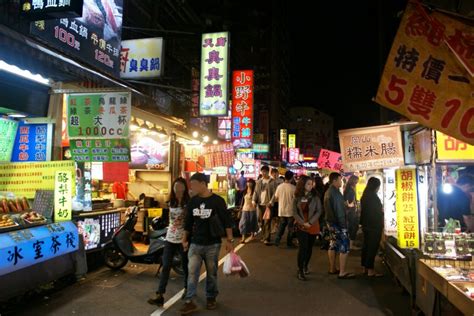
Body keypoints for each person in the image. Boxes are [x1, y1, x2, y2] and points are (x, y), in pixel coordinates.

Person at [180, 173, 234, 314]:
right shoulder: (193, 202)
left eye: (194, 184)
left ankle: (211, 297)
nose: (192, 188)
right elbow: (188, 222)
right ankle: (189, 300)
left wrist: (230, 240)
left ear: (203, 184)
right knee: (192, 273)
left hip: (212, 244)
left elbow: (226, 221)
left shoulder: (217, 201)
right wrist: (185, 239)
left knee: (211, 273)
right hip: (195, 243)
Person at [148, 178, 190, 306]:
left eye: (180, 186)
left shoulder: (188, 202)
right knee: (165, 265)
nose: (178, 189)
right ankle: (159, 295)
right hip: (170, 238)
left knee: (185, 266)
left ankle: (188, 289)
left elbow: (190, 221)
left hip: (183, 239)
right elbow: (167, 219)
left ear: (184, 188)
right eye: (176, 186)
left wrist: (187, 238)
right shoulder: (170, 201)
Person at [324, 172, 354, 279]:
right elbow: (339, 211)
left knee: (332, 244)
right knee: (344, 246)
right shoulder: (335, 193)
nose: (341, 181)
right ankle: (342, 272)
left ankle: (332, 268)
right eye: (340, 179)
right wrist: (344, 226)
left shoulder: (329, 191)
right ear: (334, 180)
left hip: (330, 223)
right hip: (338, 223)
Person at [294, 176, 322, 280]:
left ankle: (305, 265)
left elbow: (319, 210)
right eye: (308, 184)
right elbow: (294, 212)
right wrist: (302, 222)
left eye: (311, 184)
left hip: (313, 225)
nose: (311, 186)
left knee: (309, 248)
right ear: (302, 185)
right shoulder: (297, 197)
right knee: (303, 248)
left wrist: (310, 222)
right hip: (301, 226)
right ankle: (300, 269)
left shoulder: (315, 196)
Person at [360, 177, 384, 277]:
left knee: (366, 246)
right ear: (376, 186)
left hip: (366, 225)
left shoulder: (365, 195)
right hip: (374, 226)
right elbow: (376, 212)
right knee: (372, 247)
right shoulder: (373, 197)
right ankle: (370, 270)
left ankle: (365, 268)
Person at [270, 171, 296, 248]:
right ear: (291, 178)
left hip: (281, 210)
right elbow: (295, 200)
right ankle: (289, 242)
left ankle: (277, 240)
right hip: (290, 211)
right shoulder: (293, 188)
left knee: (281, 226)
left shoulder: (279, 187)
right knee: (290, 228)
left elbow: (276, 197)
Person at [252, 165, 277, 245]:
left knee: (267, 221)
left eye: (265, 172)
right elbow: (255, 192)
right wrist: (253, 201)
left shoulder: (272, 181)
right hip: (260, 204)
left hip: (268, 205)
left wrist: (271, 202)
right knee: (261, 222)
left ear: (268, 172)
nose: (264, 173)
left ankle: (267, 238)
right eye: (262, 172)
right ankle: (263, 236)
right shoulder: (259, 181)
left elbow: (275, 193)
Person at [239, 179, 258, 243]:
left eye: (250, 183)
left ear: (253, 184)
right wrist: (241, 208)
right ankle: (243, 238)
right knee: (243, 223)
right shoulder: (244, 191)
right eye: (248, 182)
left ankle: (252, 235)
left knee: (252, 222)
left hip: (252, 209)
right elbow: (242, 200)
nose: (249, 184)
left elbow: (256, 200)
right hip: (245, 209)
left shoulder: (255, 192)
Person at [344, 175, 360, 250]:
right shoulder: (350, 190)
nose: (357, 182)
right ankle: (350, 245)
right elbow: (346, 201)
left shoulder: (349, 188)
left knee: (352, 227)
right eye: (356, 181)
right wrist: (351, 205)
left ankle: (350, 244)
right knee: (353, 227)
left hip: (351, 211)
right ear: (353, 181)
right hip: (351, 212)